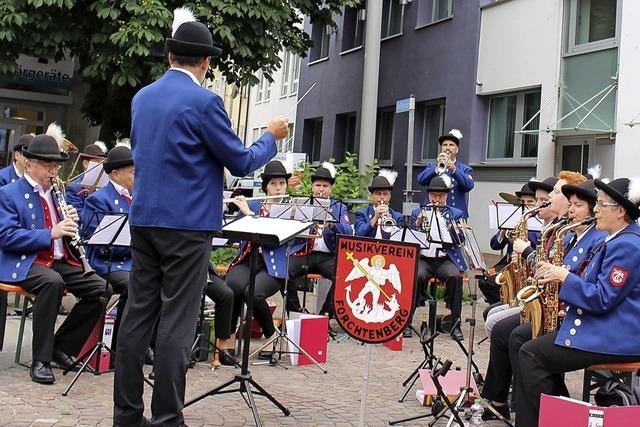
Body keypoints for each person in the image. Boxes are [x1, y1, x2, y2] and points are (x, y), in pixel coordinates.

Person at [112, 8, 287, 426]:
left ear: (171, 55)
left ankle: (127, 416)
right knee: (177, 320)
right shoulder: (206, 101)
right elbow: (242, 162)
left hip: (144, 219)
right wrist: (271, 137)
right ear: (205, 62)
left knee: (138, 316)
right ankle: (168, 419)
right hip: (187, 226)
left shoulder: (142, 97)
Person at [515, 176, 640, 427]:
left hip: (614, 336)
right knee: (532, 347)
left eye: (601, 205)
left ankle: (539, 422)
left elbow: (603, 298)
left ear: (621, 211)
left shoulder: (628, 245)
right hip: (603, 327)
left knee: (532, 354)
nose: (595, 209)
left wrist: (564, 277)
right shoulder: (616, 239)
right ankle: (558, 416)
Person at [481, 173, 605, 420]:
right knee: (507, 330)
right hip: (558, 308)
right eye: (570, 203)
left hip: (573, 316)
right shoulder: (568, 234)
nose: (571, 209)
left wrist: (545, 268)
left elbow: (594, 291)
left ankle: (534, 407)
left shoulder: (596, 238)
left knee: (517, 337)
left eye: (578, 205)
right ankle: (511, 401)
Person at [0, 134, 111, 384]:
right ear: (30, 164)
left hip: (59, 259)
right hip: (27, 261)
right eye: (49, 164)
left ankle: (61, 347)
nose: (54, 170)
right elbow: (6, 237)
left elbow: (67, 234)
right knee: (52, 282)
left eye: (56, 165)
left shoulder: (57, 192)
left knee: (101, 289)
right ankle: (40, 360)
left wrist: (73, 223)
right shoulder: (9, 193)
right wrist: (50, 233)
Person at [225, 160, 304, 357]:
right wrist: (236, 213)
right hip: (247, 260)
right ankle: (228, 338)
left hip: (273, 266)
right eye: (273, 184)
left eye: (281, 184)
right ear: (265, 187)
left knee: (252, 292)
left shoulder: (291, 210)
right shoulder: (253, 204)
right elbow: (232, 235)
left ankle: (270, 334)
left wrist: (251, 215)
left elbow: (279, 240)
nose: (278, 188)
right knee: (232, 287)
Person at [287, 161, 353, 318]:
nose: (321, 189)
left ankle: (324, 316)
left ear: (331, 188)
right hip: (305, 253)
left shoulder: (338, 207)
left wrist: (332, 222)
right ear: (312, 187)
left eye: (325, 186)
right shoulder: (303, 204)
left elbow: (347, 231)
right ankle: (297, 313)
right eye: (318, 185)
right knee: (284, 271)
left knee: (345, 275)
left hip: (327, 256)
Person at [410, 175, 467, 340]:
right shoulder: (418, 213)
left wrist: (452, 228)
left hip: (444, 259)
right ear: (429, 196)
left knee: (455, 276)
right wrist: (418, 226)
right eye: (434, 195)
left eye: (441, 196)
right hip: (424, 259)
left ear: (446, 196)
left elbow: (460, 239)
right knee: (416, 275)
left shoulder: (455, 213)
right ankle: (407, 322)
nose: (437, 199)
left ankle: (455, 323)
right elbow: (412, 240)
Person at [478, 183, 539, 306]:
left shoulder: (539, 221)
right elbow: (495, 245)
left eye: (530, 202)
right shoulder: (514, 218)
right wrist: (502, 233)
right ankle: (501, 305)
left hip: (529, 264)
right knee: (485, 282)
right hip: (510, 263)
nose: (525, 205)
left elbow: (537, 242)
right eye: (522, 201)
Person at [417, 129, 474, 218]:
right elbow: (421, 180)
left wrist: (454, 169)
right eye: (444, 145)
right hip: (433, 212)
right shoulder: (432, 166)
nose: (447, 148)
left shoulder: (465, 169)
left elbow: (469, 186)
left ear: (457, 149)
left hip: (455, 214)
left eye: (451, 145)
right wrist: (436, 167)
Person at [355, 169, 405, 238]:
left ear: (389, 197)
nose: (382, 197)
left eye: (385, 194)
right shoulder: (362, 214)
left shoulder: (397, 217)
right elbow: (359, 234)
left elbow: (399, 240)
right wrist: (375, 218)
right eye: (378, 194)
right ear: (371, 196)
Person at [65, 143, 107, 218]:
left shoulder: (104, 185)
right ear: (85, 163)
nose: (101, 165)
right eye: (98, 162)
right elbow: (78, 215)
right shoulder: (73, 188)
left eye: (102, 162)